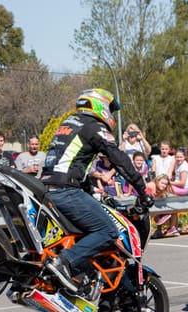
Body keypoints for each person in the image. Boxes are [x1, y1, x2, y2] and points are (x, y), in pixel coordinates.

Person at [41, 88, 152, 292]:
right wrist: (142, 191)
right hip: (66, 191)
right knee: (108, 231)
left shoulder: (68, 125)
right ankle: (64, 262)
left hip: (49, 188)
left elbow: (74, 162)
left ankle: (77, 274)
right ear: (100, 105)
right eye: (110, 109)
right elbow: (119, 159)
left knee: (86, 232)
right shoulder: (93, 127)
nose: (112, 115)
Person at [164, 149, 188, 236]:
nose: (179, 159)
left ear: (185, 157)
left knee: (164, 188)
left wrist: (169, 183)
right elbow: (170, 170)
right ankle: (172, 226)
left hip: (184, 188)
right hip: (178, 187)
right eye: (177, 157)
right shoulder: (177, 163)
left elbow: (182, 183)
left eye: (181, 157)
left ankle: (165, 213)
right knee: (165, 190)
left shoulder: (184, 167)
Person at [147, 174, 174, 239]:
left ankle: (158, 229)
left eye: (165, 184)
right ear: (157, 181)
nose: (164, 186)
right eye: (162, 183)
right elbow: (149, 198)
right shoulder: (151, 185)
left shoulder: (162, 189)